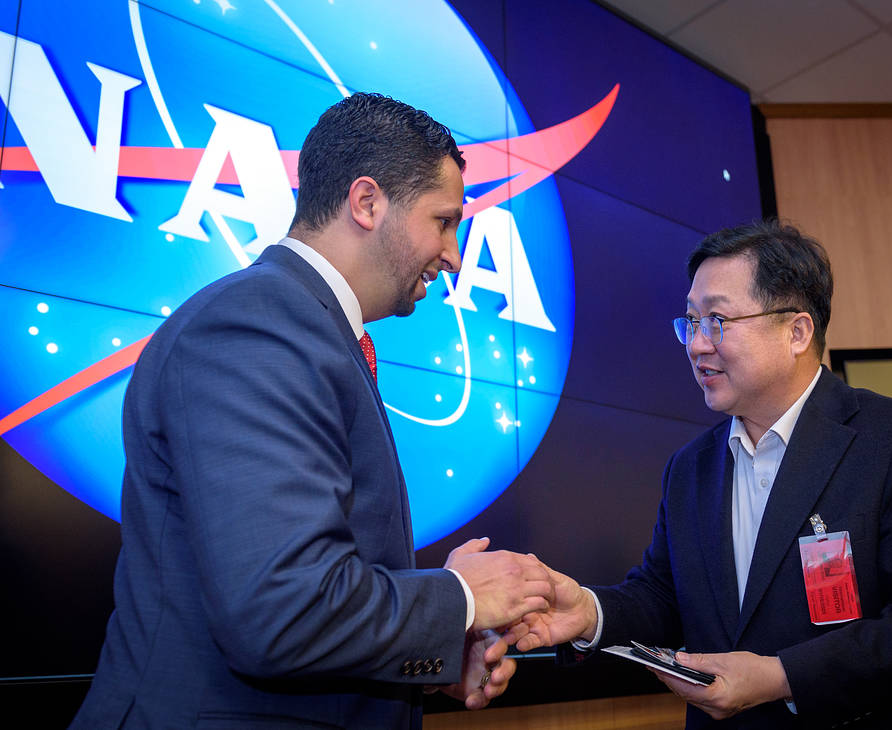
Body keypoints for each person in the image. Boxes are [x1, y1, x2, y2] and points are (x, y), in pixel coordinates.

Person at [70, 93, 555, 729]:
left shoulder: (310, 331)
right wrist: (461, 597)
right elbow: (283, 610)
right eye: (443, 221)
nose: (455, 253)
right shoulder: (256, 324)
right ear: (366, 202)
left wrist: (435, 653)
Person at [511, 220, 892, 729]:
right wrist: (589, 612)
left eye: (717, 321)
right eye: (691, 323)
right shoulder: (689, 469)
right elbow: (665, 599)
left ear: (797, 332)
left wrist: (783, 676)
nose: (697, 345)